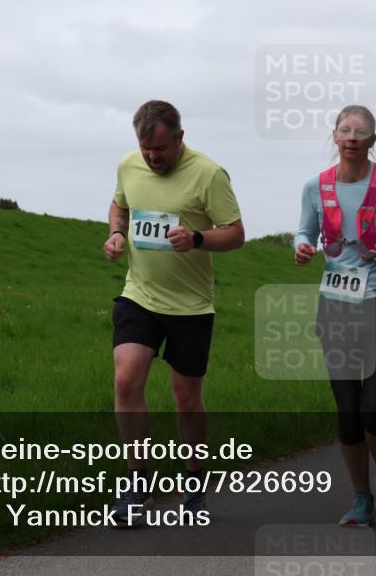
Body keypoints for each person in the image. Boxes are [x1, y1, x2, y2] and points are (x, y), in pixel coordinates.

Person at [103, 100, 245, 523]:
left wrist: (198, 239)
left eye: (161, 149)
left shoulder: (209, 174)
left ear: (180, 137)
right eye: (146, 150)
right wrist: (115, 233)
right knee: (126, 378)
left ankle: (195, 483)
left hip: (191, 306)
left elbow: (236, 234)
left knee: (186, 400)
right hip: (140, 295)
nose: (153, 158)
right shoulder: (129, 166)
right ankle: (136, 484)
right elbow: (120, 205)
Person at [295, 104, 376, 527]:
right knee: (347, 411)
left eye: (361, 131)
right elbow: (305, 230)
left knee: (374, 406)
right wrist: (301, 245)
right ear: (334, 137)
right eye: (344, 130)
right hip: (337, 304)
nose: (351, 137)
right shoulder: (316, 186)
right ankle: (360, 496)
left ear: (372, 140)